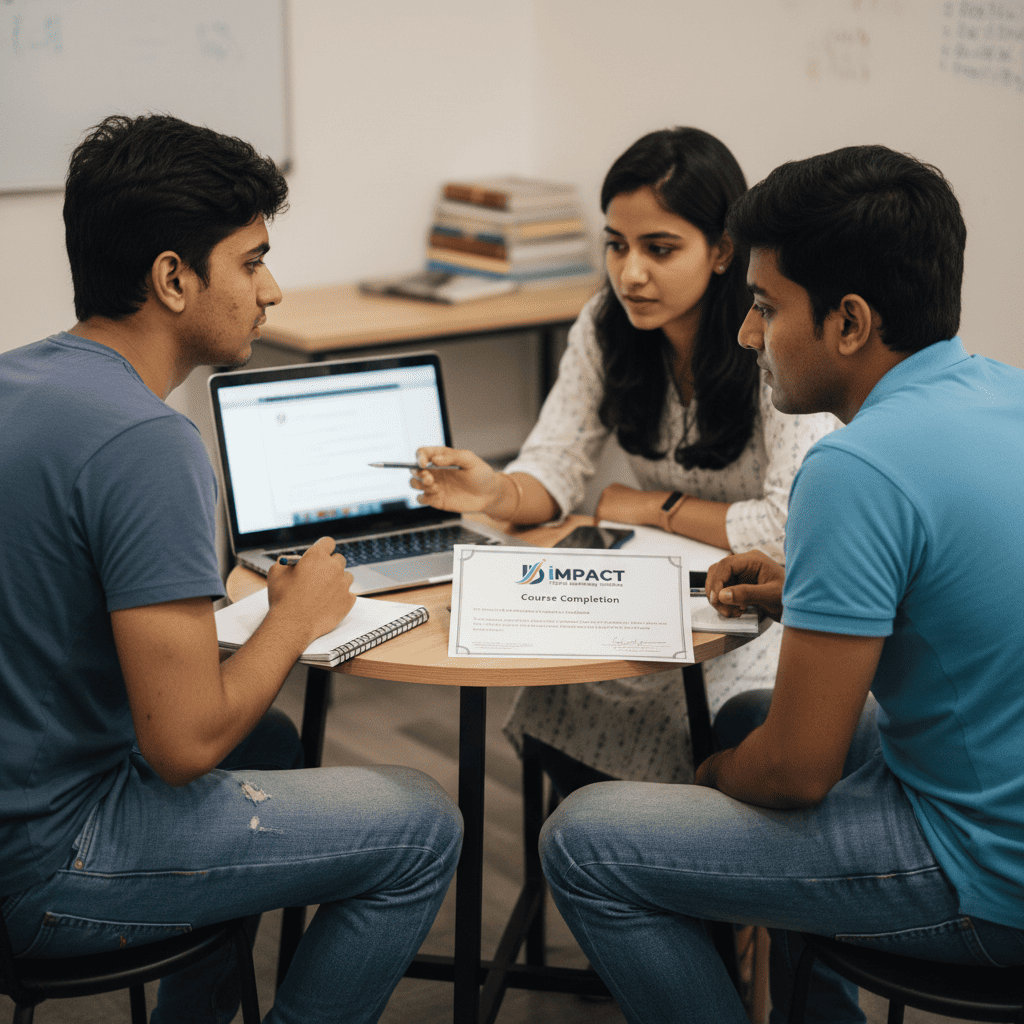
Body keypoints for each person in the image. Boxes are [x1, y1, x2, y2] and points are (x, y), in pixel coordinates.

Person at [538, 144, 1024, 1024]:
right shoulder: (1003, 392)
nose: (746, 333)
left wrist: (713, 776)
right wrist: (807, 585)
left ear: (848, 321)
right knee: (752, 710)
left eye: (764, 307)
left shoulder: (855, 467)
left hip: (987, 877)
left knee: (583, 841)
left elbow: (796, 775)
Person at [0, 114, 462, 1024]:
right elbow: (182, 746)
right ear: (173, 277)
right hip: (51, 862)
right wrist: (296, 616)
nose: (273, 290)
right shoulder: (149, 440)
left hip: (19, 797)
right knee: (423, 824)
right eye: (251, 262)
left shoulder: (21, 380)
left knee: (274, 747)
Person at [413, 127, 839, 795]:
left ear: (723, 250)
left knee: (681, 708)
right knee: (567, 690)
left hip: (759, 614)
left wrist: (653, 507)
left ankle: (659, 868)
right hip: (654, 597)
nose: (630, 272)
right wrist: (494, 491)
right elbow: (552, 470)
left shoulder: (771, 336)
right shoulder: (606, 324)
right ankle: (599, 872)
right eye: (616, 245)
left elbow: (789, 527)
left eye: (659, 249)